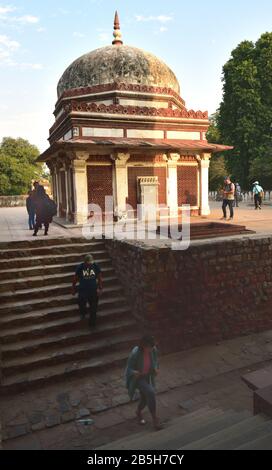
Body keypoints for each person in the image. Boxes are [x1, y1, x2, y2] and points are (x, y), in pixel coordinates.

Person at [125, 335, 163, 431]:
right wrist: (134, 372)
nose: (150, 349)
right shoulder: (135, 353)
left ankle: (138, 412)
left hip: (147, 377)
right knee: (150, 392)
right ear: (143, 346)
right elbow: (128, 369)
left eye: (152, 347)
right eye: (148, 347)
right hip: (138, 379)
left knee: (145, 399)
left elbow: (155, 361)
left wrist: (156, 368)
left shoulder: (153, 350)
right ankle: (155, 419)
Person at [72, 254, 102, 328]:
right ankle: (83, 313)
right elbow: (75, 278)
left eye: (90, 263)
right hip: (83, 290)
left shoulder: (95, 266)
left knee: (93, 308)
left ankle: (92, 325)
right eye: (88, 263)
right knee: (81, 304)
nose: (89, 265)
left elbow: (99, 277)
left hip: (93, 290)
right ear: (84, 262)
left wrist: (100, 288)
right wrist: (73, 288)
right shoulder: (80, 267)